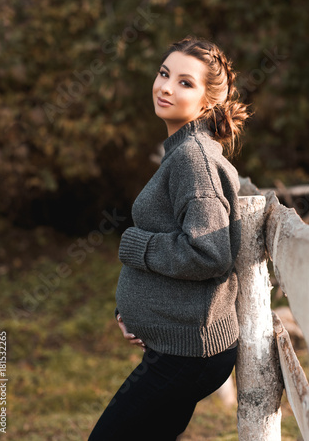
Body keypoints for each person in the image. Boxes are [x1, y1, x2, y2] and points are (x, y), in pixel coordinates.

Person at [88, 36, 250, 441]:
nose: (165, 87)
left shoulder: (193, 159)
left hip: (188, 355)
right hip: (176, 347)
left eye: (185, 82)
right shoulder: (184, 151)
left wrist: (135, 246)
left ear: (208, 102)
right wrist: (135, 314)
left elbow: (209, 253)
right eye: (164, 74)